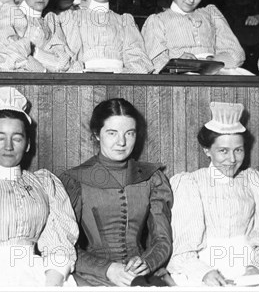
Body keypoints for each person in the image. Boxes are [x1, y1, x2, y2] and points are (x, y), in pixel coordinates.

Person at [0, 87, 78, 286]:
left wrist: (52, 284)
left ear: (28, 144)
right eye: (0, 137)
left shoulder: (45, 183)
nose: (8, 146)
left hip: (41, 275)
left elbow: (60, 239)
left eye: (17, 138)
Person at [59, 98, 173, 286]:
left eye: (130, 133)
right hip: (93, 276)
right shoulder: (75, 180)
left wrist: (146, 262)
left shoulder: (152, 178)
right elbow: (64, 247)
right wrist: (107, 269)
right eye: (112, 133)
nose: (122, 142)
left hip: (143, 274)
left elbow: (162, 240)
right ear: (97, 134)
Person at [168, 102, 259, 286]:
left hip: (249, 266)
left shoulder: (252, 180)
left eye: (238, 150)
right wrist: (203, 272)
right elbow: (182, 249)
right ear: (207, 150)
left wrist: (256, 268)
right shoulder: (191, 183)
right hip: (205, 268)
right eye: (223, 151)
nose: (232, 159)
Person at [141, 0, 247, 74]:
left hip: (217, 73)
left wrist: (213, 60)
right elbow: (155, 60)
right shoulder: (158, 20)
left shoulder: (211, 14)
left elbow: (236, 52)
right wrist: (177, 61)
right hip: (180, 76)